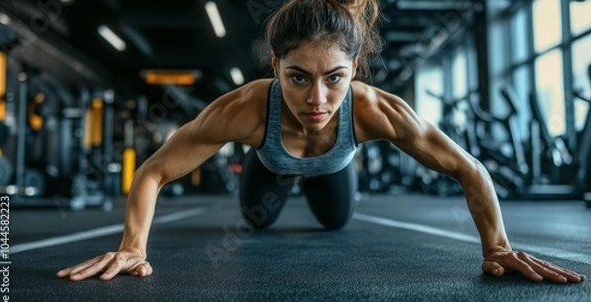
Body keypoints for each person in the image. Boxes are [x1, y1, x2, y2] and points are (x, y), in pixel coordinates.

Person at [57, 0, 586, 283]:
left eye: (335, 77)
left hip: (334, 168)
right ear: (275, 66)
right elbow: (153, 170)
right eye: (298, 78)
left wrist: (497, 248)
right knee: (258, 222)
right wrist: (133, 248)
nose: (318, 98)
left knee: (334, 221)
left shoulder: (377, 110)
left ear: (354, 68)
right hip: (268, 164)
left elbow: (470, 168)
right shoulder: (244, 109)